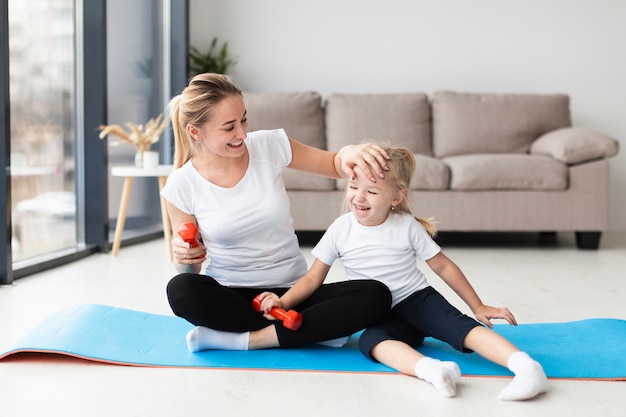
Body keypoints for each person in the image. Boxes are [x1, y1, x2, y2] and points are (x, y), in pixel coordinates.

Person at [256, 142, 548, 401]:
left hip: (418, 300)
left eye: (371, 191)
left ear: (396, 198)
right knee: (371, 343)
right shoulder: (341, 229)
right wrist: (284, 302)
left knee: (461, 329)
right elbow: (313, 277)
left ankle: (525, 367)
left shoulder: (406, 226)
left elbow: (443, 265)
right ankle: (432, 370)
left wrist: (478, 305)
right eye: (353, 186)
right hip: (378, 312)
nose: (359, 197)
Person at [160, 73, 392, 353]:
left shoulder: (269, 145)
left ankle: (250, 339)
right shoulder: (181, 185)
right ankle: (309, 330)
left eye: (244, 119)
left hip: (293, 294)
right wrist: (184, 257)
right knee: (181, 289)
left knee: (376, 295)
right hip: (233, 297)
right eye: (229, 127)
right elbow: (191, 269)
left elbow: (333, 164)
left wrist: (350, 151)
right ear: (196, 132)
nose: (242, 134)